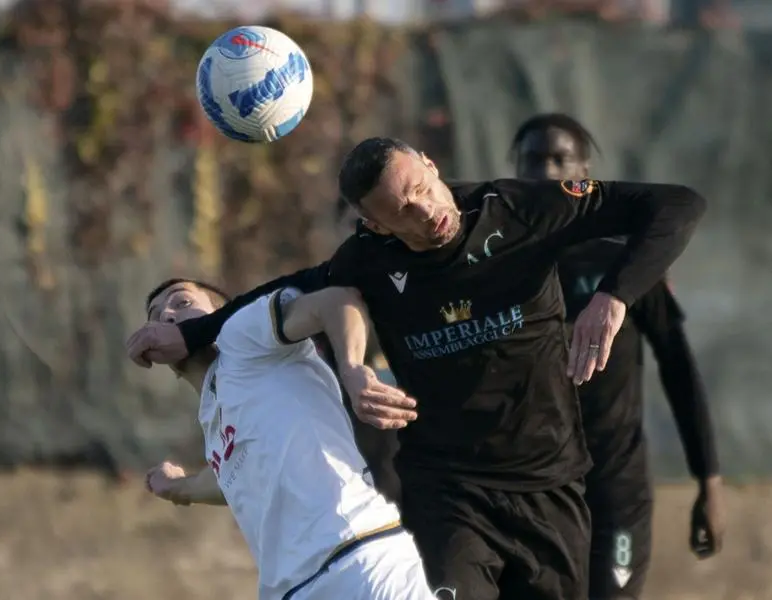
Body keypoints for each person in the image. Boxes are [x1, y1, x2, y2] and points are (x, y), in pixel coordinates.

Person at [127, 137, 707, 600]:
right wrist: (189, 332)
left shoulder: (521, 209)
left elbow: (678, 203)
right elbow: (291, 288)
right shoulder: (369, 260)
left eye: (425, 187)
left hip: (550, 483)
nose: (428, 210)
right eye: (403, 210)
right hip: (450, 493)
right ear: (376, 226)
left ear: (431, 165)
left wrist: (614, 296)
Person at [511, 113, 726, 599]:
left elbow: (679, 369)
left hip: (616, 489)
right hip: (533, 492)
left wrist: (708, 481)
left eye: (559, 159)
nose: (546, 172)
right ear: (513, 173)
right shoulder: (497, 271)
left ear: (584, 173)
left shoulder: (626, 265)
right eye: (533, 160)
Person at [139, 278, 437, 600]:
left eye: (181, 303)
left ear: (221, 312)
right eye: (154, 317)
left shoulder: (240, 335)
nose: (166, 317)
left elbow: (336, 300)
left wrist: (352, 367)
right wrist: (179, 487)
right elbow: (232, 480)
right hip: (293, 591)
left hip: (359, 560)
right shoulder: (213, 418)